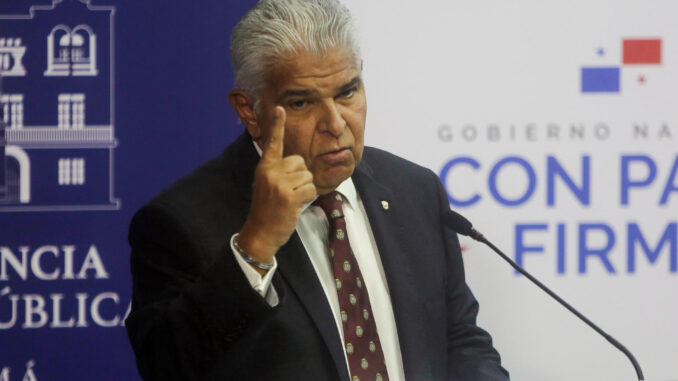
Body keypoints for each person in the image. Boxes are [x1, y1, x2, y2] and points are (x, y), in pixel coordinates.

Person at [125, 0, 509, 380]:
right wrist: (255, 247)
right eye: (302, 102)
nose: (336, 123)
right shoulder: (179, 222)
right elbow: (167, 367)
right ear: (248, 111)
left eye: (347, 93)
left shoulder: (414, 190)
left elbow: (458, 338)